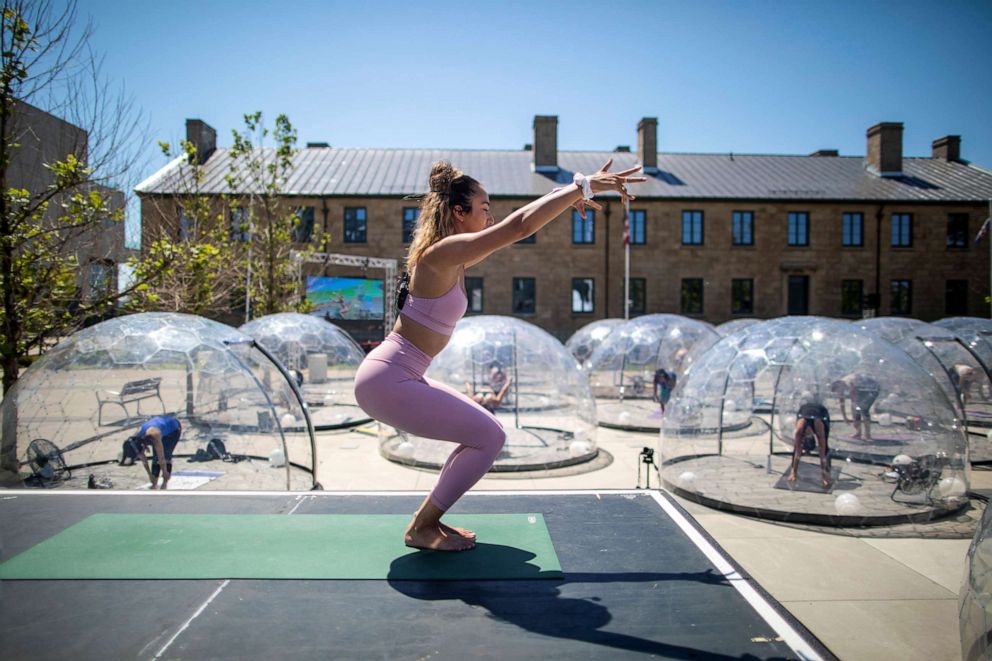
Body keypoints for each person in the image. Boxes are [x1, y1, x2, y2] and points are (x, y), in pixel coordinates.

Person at [354, 159, 643, 551]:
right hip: (388, 379)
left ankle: (428, 522)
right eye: (484, 207)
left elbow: (518, 226)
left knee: (484, 430)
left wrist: (572, 193)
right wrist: (582, 186)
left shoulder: (451, 257)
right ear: (459, 212)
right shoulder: (441, 254)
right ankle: (422, 527)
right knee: (489, 435)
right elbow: (519, 226)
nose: (491, 215)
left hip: (399, 375)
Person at [125, 415, 182, 490]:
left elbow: (161, 458)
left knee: (165, 455)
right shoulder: (136, 438)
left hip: (173, 429)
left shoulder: (154, 435)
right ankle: (154, 483)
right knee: (155, 459)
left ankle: (164, 483)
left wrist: (165, 473)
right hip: (159, 428)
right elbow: (143, 458)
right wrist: (149, 474)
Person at [787, 396, 831, 488]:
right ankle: (794, 469)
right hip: (804, 410)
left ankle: (827, 469)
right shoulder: (799, 431)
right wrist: (793, 472)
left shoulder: (818, 427)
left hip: (822, 412)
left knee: (824, 445)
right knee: (796, 446)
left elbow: (822, 453)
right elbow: (797, 451)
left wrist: (824, 476)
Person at [830, 372, 880, 440]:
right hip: (862, 389)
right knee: (856, 409)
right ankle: (858, 433)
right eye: (838, 392)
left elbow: (854, 398)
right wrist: (845, 417)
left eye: (839, 390)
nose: (840, 392)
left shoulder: (848, 382)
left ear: (839, 384)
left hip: (872, 388)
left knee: (863, 410)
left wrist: (855, 408)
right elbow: (842, 402)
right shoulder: (842, 385)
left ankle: (867, 434)